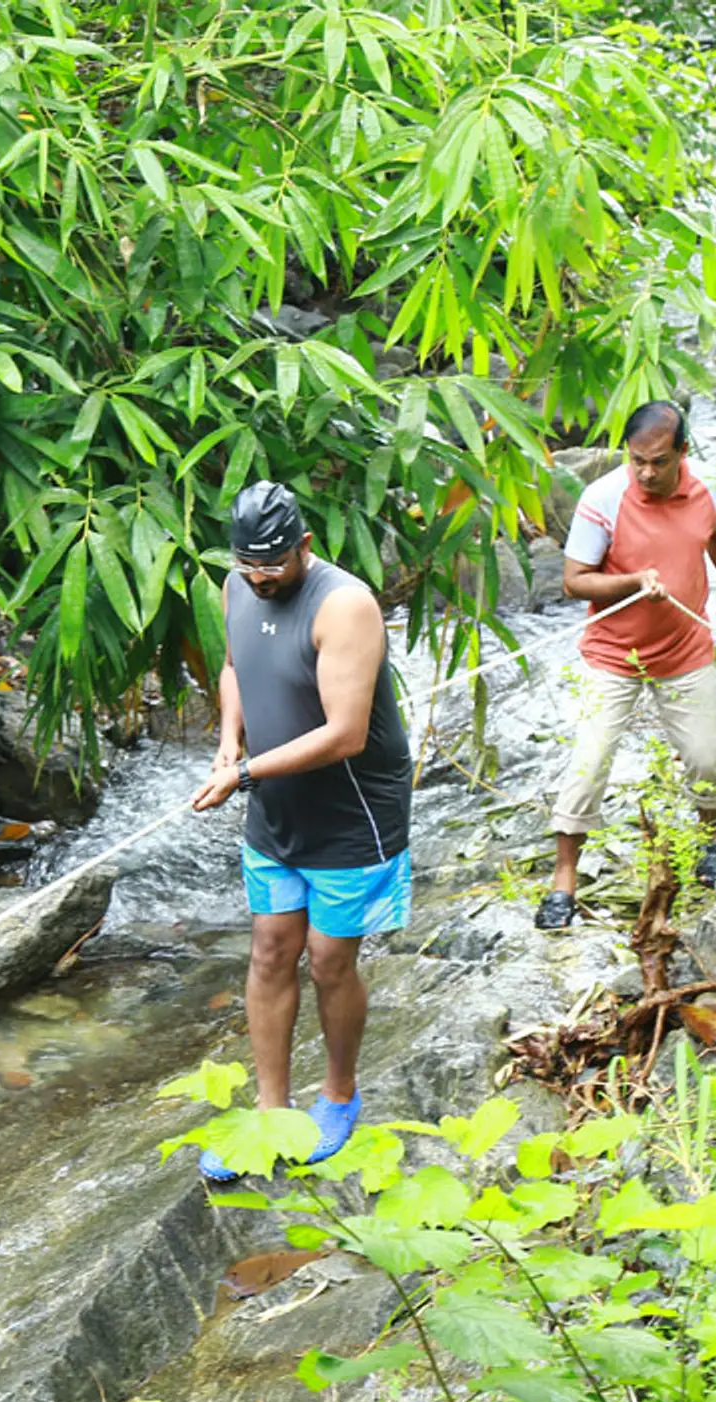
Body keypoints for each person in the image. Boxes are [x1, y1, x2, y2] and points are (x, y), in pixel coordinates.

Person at [190, 481, 413, 1181]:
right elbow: (234, 668)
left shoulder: (344, 605)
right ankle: (271, 1113)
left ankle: (339, 1095)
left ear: (305, 546)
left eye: (274, 564)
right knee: (268, 950)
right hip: (274, 801)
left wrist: (245, 773)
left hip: (351, 810)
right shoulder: (236, 586)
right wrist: (229, 745)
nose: (261, 578)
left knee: (327, 960)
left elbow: (345, 734)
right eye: (248, 564)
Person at [535, 401, 716, 930]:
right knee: (589, 763)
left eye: (658, 461)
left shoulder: (710, 488)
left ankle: (705, 844)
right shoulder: (603, 498)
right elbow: (575, 581)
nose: (647, 473)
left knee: (705, 758)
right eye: (637, 461)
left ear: (683, 452)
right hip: (614, 654)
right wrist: (634, 581)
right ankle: (563, 881)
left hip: (685, 648)